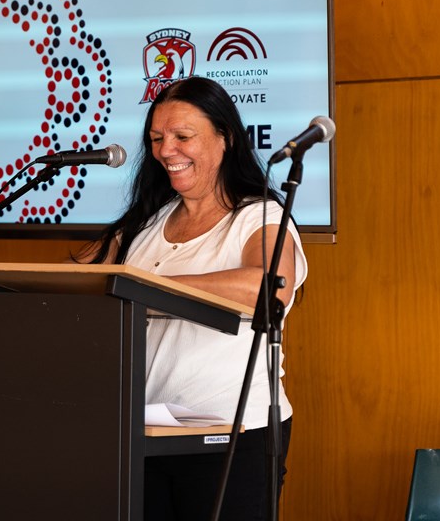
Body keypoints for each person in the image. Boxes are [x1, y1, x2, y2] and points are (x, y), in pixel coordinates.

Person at [78, 77, 307, 521]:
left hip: (231, 436)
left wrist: (149, 288)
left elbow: (269, 287)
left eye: (183, 137)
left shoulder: (260, 216)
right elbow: (75, 280)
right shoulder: (147, 220)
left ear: (226, 139)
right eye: (157, 139)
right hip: (144, 431)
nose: (166, 150)